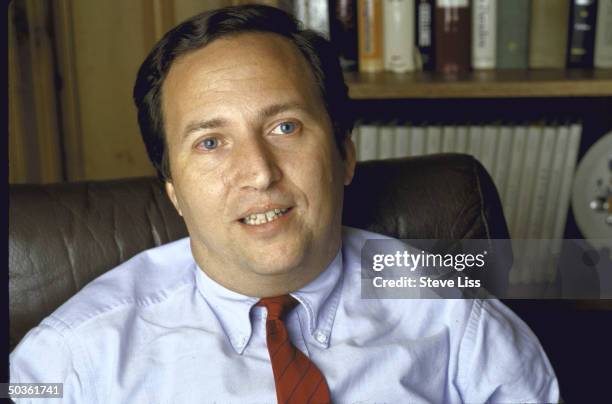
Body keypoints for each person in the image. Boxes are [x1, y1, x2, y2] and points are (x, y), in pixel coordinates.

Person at [10, 5, 559, 403]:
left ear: (344, 155)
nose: (258, 172)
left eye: (285, 126)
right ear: (174, 191)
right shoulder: (69, 357)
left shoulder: (459, 321)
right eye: (210, 142)